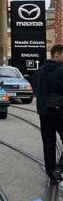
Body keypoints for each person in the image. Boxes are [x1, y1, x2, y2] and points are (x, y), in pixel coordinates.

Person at [32, 44, 63, 184]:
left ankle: (52, 176)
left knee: (48, 144)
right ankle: (60, 168)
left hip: (44, 113)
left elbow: (35, 90)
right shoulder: (61, 70)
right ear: (57, 54)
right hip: (60, 112)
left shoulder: (39, 72)